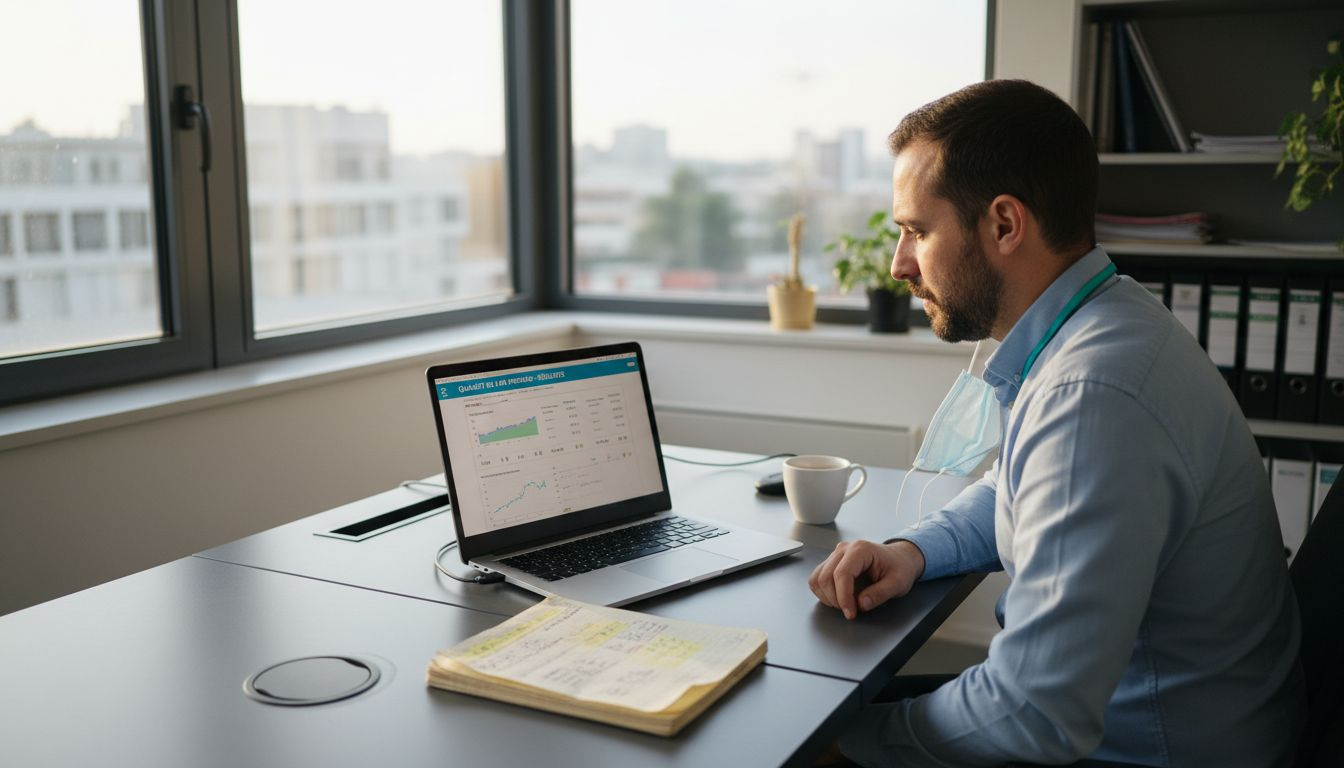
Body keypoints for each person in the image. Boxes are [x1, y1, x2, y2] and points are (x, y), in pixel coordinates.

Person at [808, 79, 1305, 766]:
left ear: (1006, 225)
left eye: (917, 232)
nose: (899, 265)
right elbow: (1023, 486)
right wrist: (913, 551)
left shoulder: (1091, 396)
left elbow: (1034, 715)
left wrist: (842, 747)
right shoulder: (1108, 318)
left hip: (1147, 749)